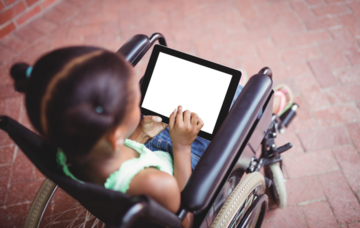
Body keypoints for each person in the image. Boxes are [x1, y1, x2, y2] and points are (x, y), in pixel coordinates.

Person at [10, 46, 293, 228]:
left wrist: (138, 135)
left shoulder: (61, 151)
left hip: (142, 148)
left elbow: (122, 157)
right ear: (114, 135)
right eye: (135, 101)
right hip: (184, 170)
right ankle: (268, 106)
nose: (139, 101)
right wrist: (182, 146)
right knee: (242, 101)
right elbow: (185, 220)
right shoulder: (156, 184)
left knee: (223, 92)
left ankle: (242, 89)